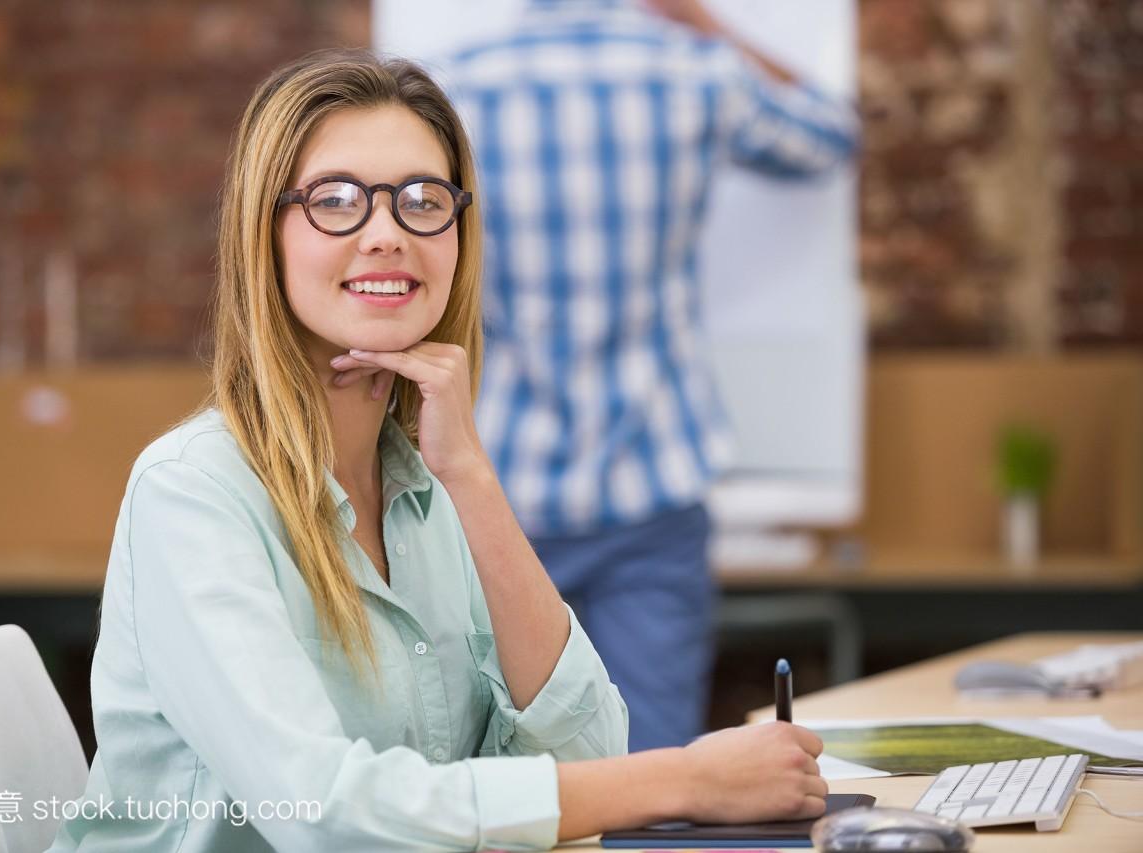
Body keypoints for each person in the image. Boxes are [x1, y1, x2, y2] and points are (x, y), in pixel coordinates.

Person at [46, 50, 829, 853]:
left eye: (422, 200)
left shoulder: (425, 489)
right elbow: (323, 813)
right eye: (337, 200)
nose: (386, 235)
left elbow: (586, 751)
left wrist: (470, 476)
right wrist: (686, 779)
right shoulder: (192, 493)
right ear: (264, 230)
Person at [444, 0, 860, 751]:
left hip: (503, 490)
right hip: (654, 481)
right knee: (654, 757)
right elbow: (832, 132)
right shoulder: (693, 70)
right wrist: (706, 22)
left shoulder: (458, 90)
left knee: (508, 761)